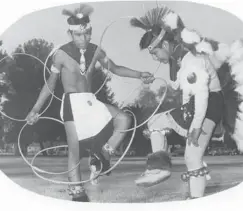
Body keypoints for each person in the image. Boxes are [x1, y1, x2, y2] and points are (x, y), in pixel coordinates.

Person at [130, 6, 243, 199]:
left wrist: (195, 127)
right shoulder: (180, 58)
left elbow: (202, 94)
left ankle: (181, 188)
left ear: (166, 45)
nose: (154, 58)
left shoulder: (192, 61)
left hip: (208, 104)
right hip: (198, 103)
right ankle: (159, 167)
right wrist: (163, 74)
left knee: (192, 156)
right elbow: (179, 85)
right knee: (157, 122)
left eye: (155, 53)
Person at [26, 4, 154, 202]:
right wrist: (35, 109)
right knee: (74, 149)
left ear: (90, 31)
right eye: (78, 35)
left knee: (124, 119)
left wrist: (140, 75)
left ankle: (102, 155)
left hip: (90, 101)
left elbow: (116, 68)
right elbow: (50, 85)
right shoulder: (61, 54)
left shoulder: (96, 51)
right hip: (71, 104)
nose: (83, 39)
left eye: (86, 34)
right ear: (70, 33)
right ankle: (76, 190)